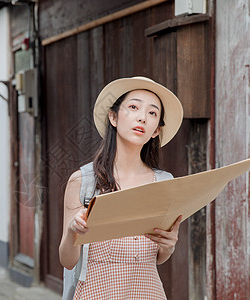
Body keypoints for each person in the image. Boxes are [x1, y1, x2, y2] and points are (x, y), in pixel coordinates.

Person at [59, 76, 184, 299]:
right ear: (114, 117)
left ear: (156, 130)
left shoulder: (165, 183)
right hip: (95, 293)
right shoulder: (83, 181)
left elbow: (157, 256)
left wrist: (169, 246)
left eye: (152, 113)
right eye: (134, 107)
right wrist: (72, 232)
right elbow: (67, 260)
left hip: (148, 292)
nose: (142, 118)